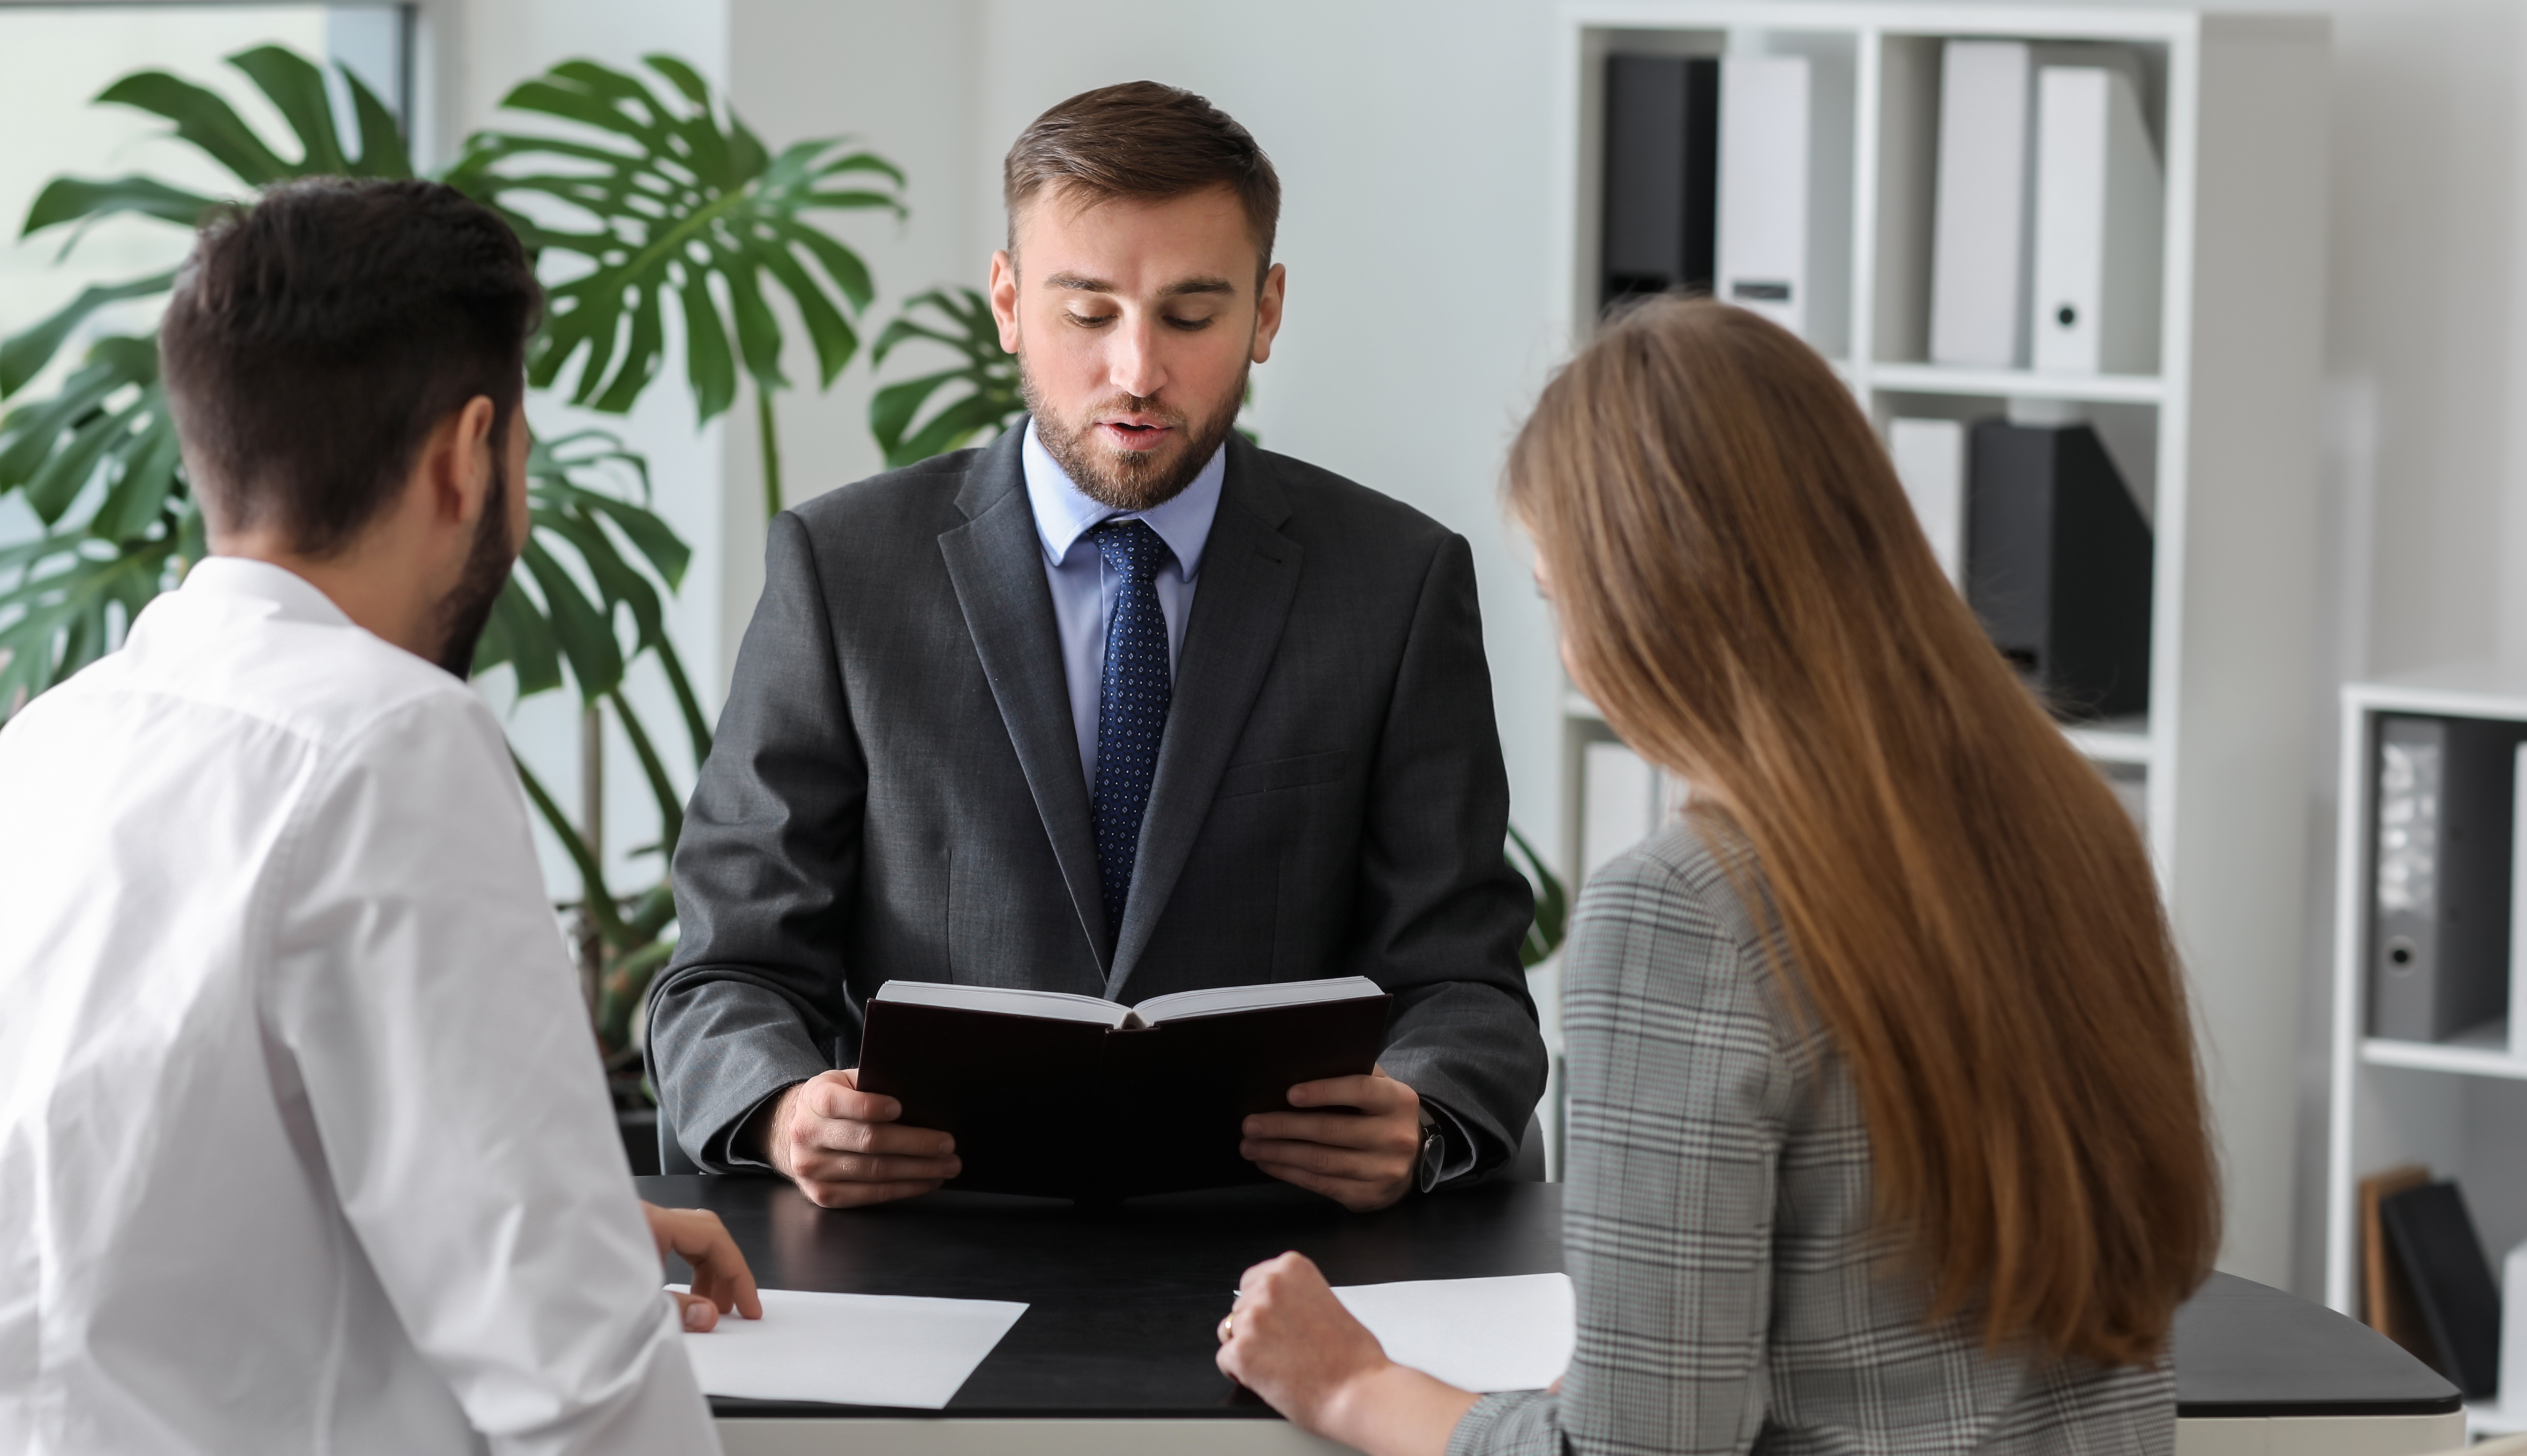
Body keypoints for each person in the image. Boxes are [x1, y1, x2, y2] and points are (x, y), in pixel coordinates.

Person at [0, 179, 757, 1456]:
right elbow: (584, 1393)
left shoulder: (46, 746)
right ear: (466, 458)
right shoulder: (391, 741)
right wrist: (569, 1272)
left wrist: (567, 1216)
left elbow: (86, 1222)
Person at [1214, 296, 2220, 1454]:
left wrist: (1352, 1386)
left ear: (1646, 600)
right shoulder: (2072, 822)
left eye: (1560, 599)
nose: (1573, 652)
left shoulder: (1684, 912)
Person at [647, 80, 1544, 1212]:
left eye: (1190, 314)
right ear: (1009, 303)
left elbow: (1465, 980)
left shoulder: (1394, 582)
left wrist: (1423, 1110)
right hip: (923, 1250)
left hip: (1278, 1256)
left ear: (1266, 314)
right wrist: (782, 1109)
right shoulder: (843, 570)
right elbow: (727, 969)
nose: (1136, 372)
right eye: (1088, 315)